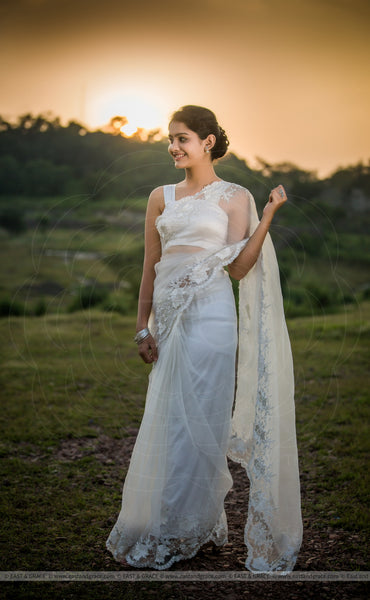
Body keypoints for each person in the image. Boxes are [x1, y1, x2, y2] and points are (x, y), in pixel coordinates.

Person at [106, 105, 302, 572]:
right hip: (169, 322)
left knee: (202, 421)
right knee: (171, 417)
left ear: (207, 142)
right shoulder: (160, 197)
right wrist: (142, 327)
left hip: (213, 319)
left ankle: (186, 524)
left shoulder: (234, 197)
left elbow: (237, 267)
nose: (173, 147)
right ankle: (171, 520)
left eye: (182, 138)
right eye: (170, 140)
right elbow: (150, 269)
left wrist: (268, 214)